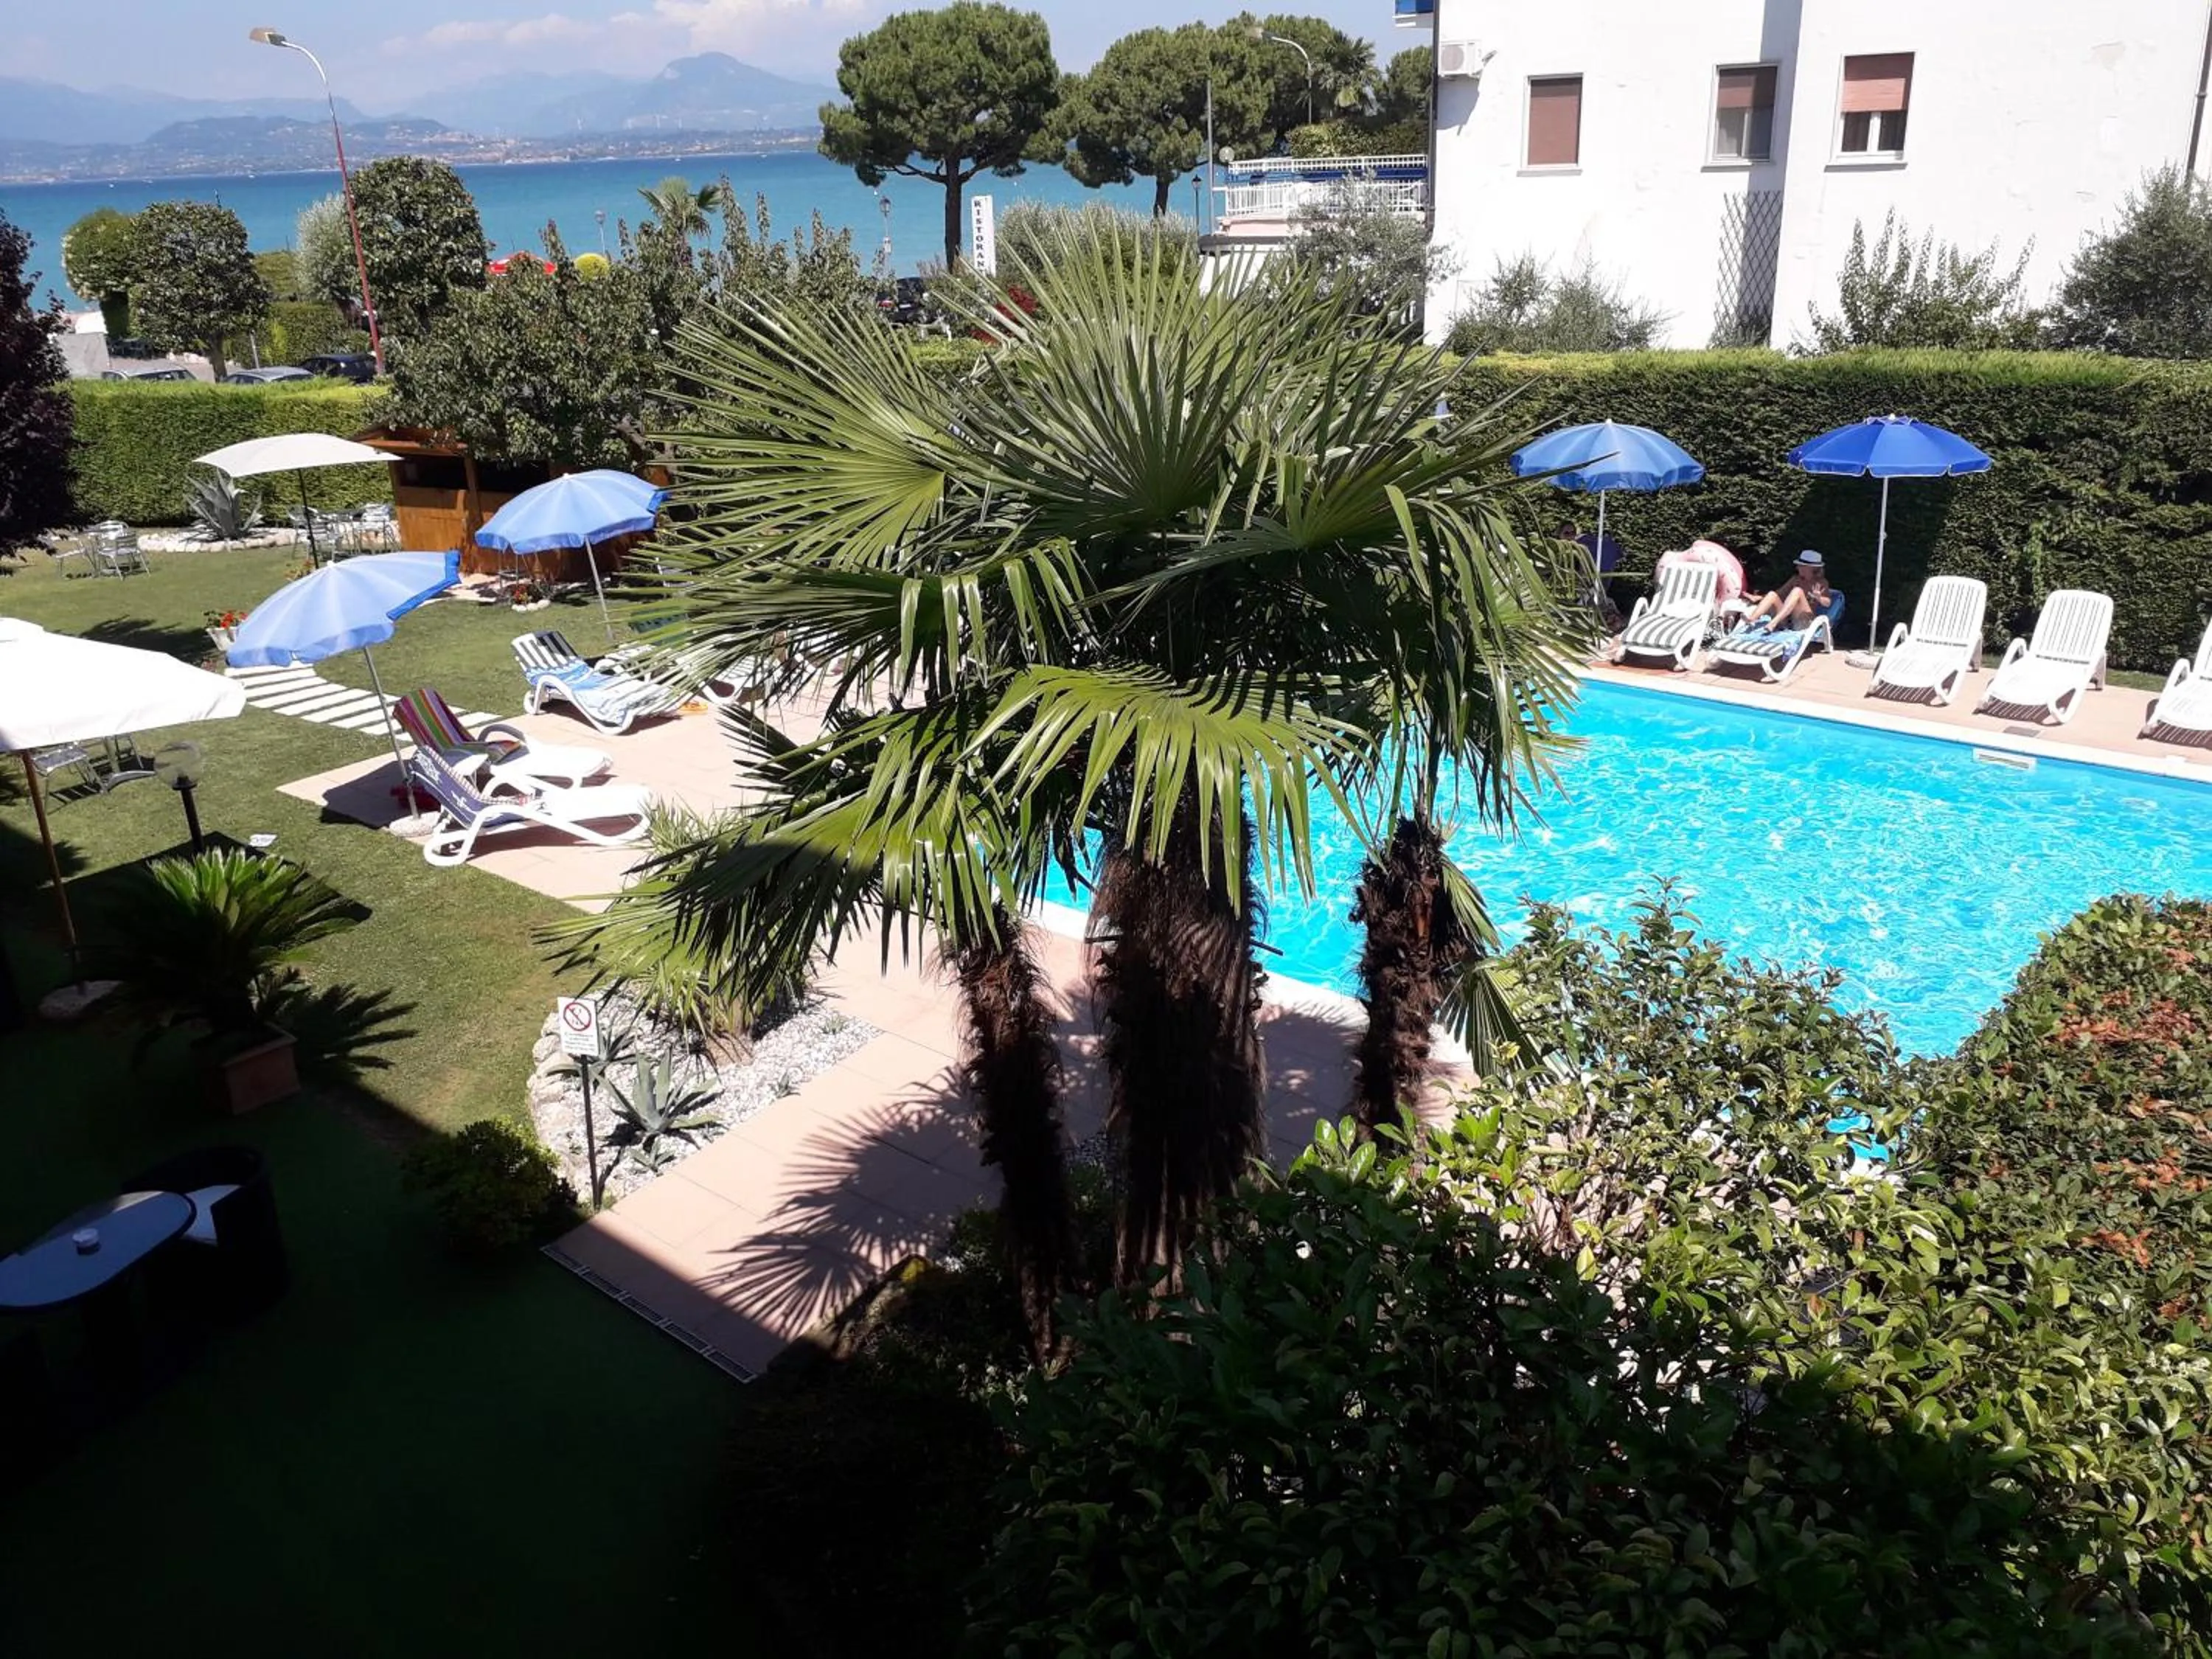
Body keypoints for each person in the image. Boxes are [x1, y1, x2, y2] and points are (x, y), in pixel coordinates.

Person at [1739, 551, 1834, 630]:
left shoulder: (1821, 582)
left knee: (1797, 591)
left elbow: (1828, 603)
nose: (1797, 568)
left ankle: (1773, 623)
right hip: (1788, 620)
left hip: (1804, 621)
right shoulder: (1796, 579)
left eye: (1801, 566)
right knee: (1772, 594)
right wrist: (1758, 597)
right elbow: (1779, 593)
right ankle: (1751, 619)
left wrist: (1819, 598)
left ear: (1811, 568)